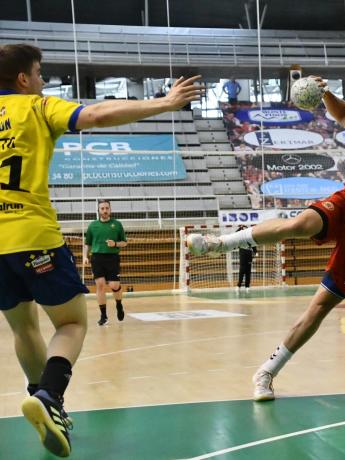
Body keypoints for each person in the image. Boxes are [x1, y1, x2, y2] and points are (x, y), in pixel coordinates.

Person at [0, 44, 201, 457]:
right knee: (72, 323)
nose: (41, 80)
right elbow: (96, 114)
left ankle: (43, 400)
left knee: (23, 328)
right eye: (38, 72)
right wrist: (164, 102)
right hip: (31, 234)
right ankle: (49, 398)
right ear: (23, 79)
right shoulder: (36, 107)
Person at [187, 77, 345, 401]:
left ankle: (266, 372)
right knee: (300, 223)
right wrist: (324, 93)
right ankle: (219, 243)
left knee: (319, 307)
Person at [84, 200, 127, 326]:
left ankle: (119, 305)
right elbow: (88, 244)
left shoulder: (117, 224)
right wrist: (85, 257)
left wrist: (115, 244)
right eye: (102, 208)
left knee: (114, 285)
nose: (104, 210)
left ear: (110, 209)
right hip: (97, 258)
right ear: (98, 210)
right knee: (100, 285)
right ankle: (103, 316)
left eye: (107, 208)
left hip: (112, 258)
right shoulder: (92, 225)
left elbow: (124, 242)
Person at [236, 225, 257, 291]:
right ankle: (239, 286)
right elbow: (235, 233)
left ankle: (247, 286)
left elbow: (254, 246)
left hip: (249, 257)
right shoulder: (240, 239)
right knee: (242, 271)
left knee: (248, 272)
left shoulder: (250, 239)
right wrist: (240, 228)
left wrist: (256, 252)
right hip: (242, 256)